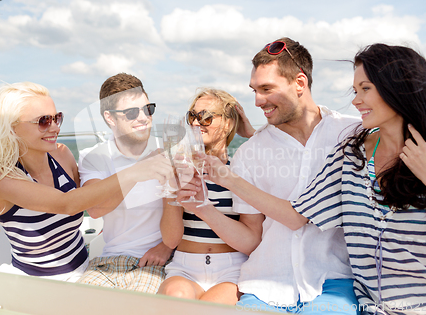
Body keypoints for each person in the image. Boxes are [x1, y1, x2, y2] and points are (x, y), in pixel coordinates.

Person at [201, 44, 426, 314]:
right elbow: (296, 215)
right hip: (366, 305)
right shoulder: (352, 152)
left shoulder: (352, 135)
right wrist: (237, 160)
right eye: (356, 90)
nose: (356, 100)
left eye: (365, 89)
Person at [179, 38, 361, 313]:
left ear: (300, 83)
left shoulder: (350, 134)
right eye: (254, 90)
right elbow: (252, 239)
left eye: (266, 89)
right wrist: (201, 207)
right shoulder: (250, 152)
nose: (257, 101)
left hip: (333, 282)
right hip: (264, 285)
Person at [0, 82, 173, 282]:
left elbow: (92, 202)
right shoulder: (4, 180)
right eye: (44, 121)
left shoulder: (62, 156)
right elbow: (68, 204)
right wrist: (136, 171)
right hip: (36, 284)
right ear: (12, 128)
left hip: (84, 271)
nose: (54, 127)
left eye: (57, 118)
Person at [76, 73, 173, 293]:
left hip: (154, 262)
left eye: (148, 109)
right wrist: (136, 172)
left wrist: (166, 247)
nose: (143, 118)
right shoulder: (93, 157)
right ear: (110, 118)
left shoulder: (169, 151)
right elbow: (96, 209)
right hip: (107, 262)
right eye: (131, 112)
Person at [157, 88, 249, 305]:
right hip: (186, 266)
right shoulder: (180, 170)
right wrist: (172, 192)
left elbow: (251, 238)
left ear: (227, 124)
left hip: (232, 267)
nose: (196, 123)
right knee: (175, 299)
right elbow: (171, 240)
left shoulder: (241, 170)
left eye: (205, 117)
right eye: (192, 116)